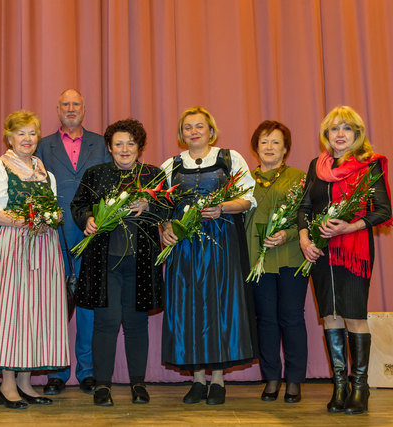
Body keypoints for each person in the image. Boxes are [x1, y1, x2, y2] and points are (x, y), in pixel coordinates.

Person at [298, 106, 391, 415]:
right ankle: (340, 386)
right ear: (327, 135)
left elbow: (383, 210)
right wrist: (304, 238)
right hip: (321, 252)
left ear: (357, 134)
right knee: (331, 315)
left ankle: (360, 387)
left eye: (346, 129)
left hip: (353, 251)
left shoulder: (369, 165)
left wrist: (351, 226)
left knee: (353, 315)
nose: (339, 134)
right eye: (333, 129)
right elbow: (305, 206)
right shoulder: (317, 165)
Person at [160, 106, 256, 405]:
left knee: (218, 306)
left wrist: (222, 208)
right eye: (188, 127)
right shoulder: (170, 165)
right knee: (189, 308)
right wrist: (165, 229)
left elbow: (248, 199)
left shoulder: (230, 158)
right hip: (186, 248)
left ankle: (218, 380)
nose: (194, 131)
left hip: (221, 245)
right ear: (181, 134)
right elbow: (161, 209)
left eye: (199, 126)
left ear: (211, 130)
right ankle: (198, 380)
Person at [70, 118, 167, 407]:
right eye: (118, 144)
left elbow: (167, 208)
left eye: (131, 143)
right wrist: (86, 218)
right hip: (104, 262)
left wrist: (149, 204)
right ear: (110, 148)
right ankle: (102, 385)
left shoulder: (153, 175)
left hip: (141, 262)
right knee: (106, 323)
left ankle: (138, 383)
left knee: (137, 323)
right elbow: (78, 205)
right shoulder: (95, 173)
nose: (125, 149)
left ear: (140, 147)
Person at [0, 110, 69, 409]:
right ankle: (7, 385)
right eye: (21, 133)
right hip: (14, 245)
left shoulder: (46, 171)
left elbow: (55, 209)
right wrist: (26, 221)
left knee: (39, 312)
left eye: (32, 133)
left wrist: (53, 217)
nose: (27, 139)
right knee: (13, 312)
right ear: (9, 137)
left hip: (44, 247)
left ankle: (25, 382)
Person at [35, 89, 111, 395]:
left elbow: (109, 183)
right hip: (53, 234)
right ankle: (56, 372)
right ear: (57, 109)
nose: (70, 108)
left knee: (88, 306)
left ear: (84, 108)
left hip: (92, 232)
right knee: (55, 305)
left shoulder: (101, 143)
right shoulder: (43, 145)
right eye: (64, 104)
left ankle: (88, 371)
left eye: (75, 104)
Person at [244, 121, 308, 403]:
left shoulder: (299, 177)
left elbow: (309, 219)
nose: (269, 147)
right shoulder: (244, 180)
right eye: (264, 142)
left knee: (291, 319)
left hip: (291, 258)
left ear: (286, 148)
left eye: (276, 142)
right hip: (257, 261)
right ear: (256, 147)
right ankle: (271, 378)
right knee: (265, 321)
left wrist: (289, 234)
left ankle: (294, 380)